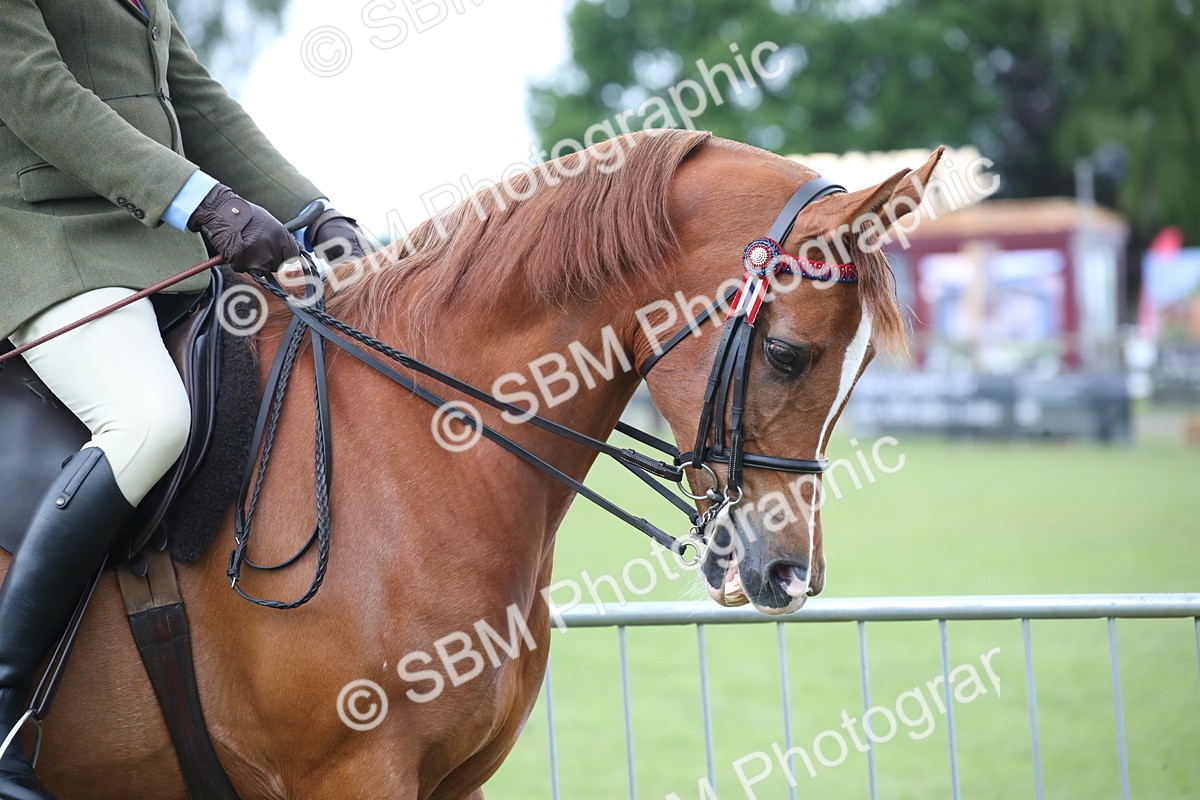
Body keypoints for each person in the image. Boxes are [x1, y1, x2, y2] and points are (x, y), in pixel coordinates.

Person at [0, 2, 368, 795]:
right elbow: (34, 91)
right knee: (147, 418)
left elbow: (195, 101)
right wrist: (207, 204)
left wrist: (314, 212)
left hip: (164, 254)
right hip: (46, 247)